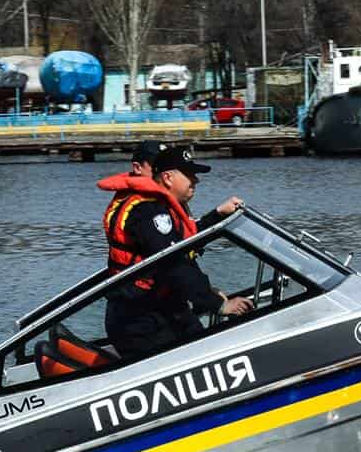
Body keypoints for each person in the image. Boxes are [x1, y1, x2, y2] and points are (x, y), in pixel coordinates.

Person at [98, 146, 251, 361]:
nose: (196, 181)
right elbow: (174, 264)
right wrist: (218, 304)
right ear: (168, 178)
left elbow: (183, 241)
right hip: (144, 320)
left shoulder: (156, 206)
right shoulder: (148, 211)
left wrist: (217, 216)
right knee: (203, 358)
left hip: (158, 310)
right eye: (189, 175)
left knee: (204, 345)